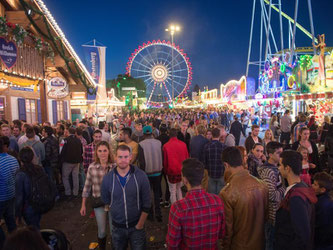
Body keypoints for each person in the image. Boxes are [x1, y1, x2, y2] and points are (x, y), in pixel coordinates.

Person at [166, 158, 225, 249]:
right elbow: (221, 233)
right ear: (202, 177)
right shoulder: (217, 201)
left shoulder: (178, 208)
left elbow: (172, 244)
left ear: (185, 180)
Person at [101, 144, 151, 250]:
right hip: (117, 228)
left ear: (130, 157)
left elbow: (147, 202)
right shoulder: (107, 178)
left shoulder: (141, 176)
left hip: (137, 227)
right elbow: (106, 200)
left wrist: (140, 225)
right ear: (115, 157)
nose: (123, 160)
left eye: (126, 157)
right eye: (120, 157)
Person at [219, 147, 268, 250]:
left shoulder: (227, 192)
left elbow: (228, 230)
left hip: (239, 245)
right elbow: (265, 218)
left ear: (226, 165)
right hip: (260, 244)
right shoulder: (262, 185)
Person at [275, 150, 317, 250]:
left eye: (280, 165)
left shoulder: (296, 198)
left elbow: (303, 235)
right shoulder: (302, 186)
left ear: (287, 168)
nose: (278, 168)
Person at [80, 141, 114, 250]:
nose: (102, 153)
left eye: (105, 150)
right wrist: (83, 205)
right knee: (102, 230)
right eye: (100, 151)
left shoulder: (115, 166)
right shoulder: (92, 167)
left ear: (109, 152)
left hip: (114, 203)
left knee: (114, 230)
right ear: (96, 153)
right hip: (99, 203)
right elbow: (87, 187)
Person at [257, 141, 285, 250]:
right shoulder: (268, 171)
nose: (281, 156)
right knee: (270, 241)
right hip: (271, 214)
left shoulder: (276, 168)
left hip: (277, 211)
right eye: (278, 153)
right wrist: (283, 189)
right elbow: (271, 195)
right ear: (270, 154)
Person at [15, 147, 46, 229]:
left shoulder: (20, 174)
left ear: (20, 159)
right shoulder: (39, 169)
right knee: (36, 224)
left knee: (32, 228)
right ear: (32, 157)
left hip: (28, 207)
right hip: (40, 202)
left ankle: (37, 239)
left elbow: (19, 197)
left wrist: (17, 214)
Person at [138, 126, 163, 222]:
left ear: (144, 134)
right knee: (157, 193)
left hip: (147, 173)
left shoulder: (141, 144)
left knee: (148, 194)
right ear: (151, 133)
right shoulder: (158, 143)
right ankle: (159, 214)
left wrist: (142, 173)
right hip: (158, 172)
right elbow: (162, 156)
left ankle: (150, 214)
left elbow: (142, 161)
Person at [0, 137, 19, 248]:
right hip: (12, 194)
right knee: (10, 220)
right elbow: (16, 175)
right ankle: (15, 242)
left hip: (1, 197)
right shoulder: (13, 159)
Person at [163, 128, 189, 204]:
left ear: (169, 134)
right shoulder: (183, 144)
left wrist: (166, 171)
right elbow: (187, 158)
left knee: (172, 191)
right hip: (181, 171)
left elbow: (165, 162)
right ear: (177, 134)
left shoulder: (166, 146)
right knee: (178, 189)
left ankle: (174, 209)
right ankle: (181, 205)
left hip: (171, 171)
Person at [60, 126, 83, 198]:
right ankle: (75, 192)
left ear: (68, 132)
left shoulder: (64, 140)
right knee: (75, 177)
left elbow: (61, 151)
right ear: (75, 133)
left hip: (67, 162)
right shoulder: (79, 140)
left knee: (65, 177)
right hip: (77, 162)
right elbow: (81, 151)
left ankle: (68, 192)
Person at [312, 172, 333, 249]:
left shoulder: (322, 204)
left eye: (315, 185)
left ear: (322, 189)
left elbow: (320, 226)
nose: (312, 186)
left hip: (323, 243)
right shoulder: (324, 199)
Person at [203, 128, 227, 195]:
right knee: (220, 195)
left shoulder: (207, 146)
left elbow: (204, 161)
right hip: (221, 173)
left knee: (212, 195)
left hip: (211, 173)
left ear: (212, 135)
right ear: (219, 135)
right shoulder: (224, 147)